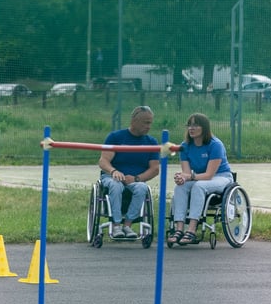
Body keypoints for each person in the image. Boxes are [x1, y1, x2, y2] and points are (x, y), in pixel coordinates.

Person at [169, 113, 233, 245]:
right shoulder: (185, 146)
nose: (191, 128)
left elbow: (209, 175)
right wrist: (182, 178)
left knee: (199, 186)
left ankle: (192, 230)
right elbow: (187, 174)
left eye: (195, 125)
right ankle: (179, 229)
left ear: (204, 128)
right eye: (189, 125)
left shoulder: (215, 145)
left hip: (221, 177)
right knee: (180, 187)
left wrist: (189, 177)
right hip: (200, 178)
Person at [97, 105, 160, 239]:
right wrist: (114, 171)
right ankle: (116, 225)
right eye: (146, 123)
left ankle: (128, 225)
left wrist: (137, 178)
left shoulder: (151, 142)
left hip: (135, 179)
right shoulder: (115, 137)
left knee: (142, 188)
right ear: (134, 121)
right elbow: (103, 161)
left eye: (150, 123)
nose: (148, 126)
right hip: (113, 176)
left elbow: (155, 169)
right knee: (115, 185)